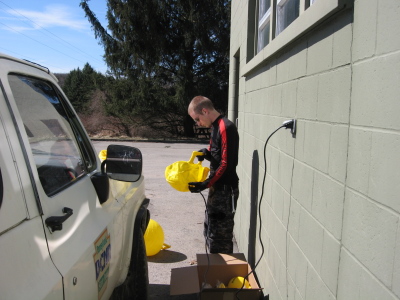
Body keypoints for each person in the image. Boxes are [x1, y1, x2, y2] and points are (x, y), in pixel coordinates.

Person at [187, 96, 239, 254]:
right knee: (210, 230)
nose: (197, 123)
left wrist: (205, 184)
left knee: (220, 237)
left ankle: (222, 274)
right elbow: (219, 158)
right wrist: (208, 155)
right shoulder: (215, 127)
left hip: (225, 190)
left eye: (197, 119)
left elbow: (226, 164)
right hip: (216, 189)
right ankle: (214, 271)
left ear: (205, 111)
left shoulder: (226, 127)